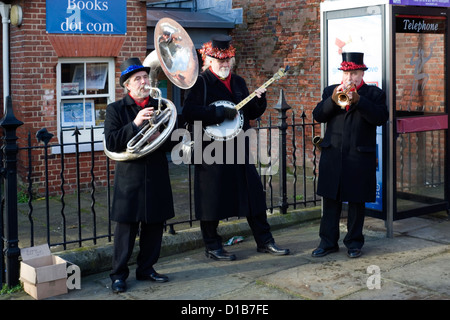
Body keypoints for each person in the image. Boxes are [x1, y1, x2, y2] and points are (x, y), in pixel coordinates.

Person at [182, 34, 289, 261]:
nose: (224, 64)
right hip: (209, 150)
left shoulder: (239, 82)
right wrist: (218, 113)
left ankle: (265, 241)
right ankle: (213, 246)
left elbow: (250, 113)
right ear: (208, 60)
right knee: (211, 200)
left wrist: (260, 99)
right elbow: (189, 112)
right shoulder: (200, 83)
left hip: (239, 147)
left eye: (227, 60)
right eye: (219, 60)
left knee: (254, 195)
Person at [104, 57, 175, 293]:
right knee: (126, 230)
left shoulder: (162, 105)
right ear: (127, 85)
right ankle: (118, 275)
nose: (144, 81)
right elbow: (112, 143)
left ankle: (146, 269)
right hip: (130, 177)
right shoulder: (116, 109)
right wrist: (134, 124)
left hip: (156, 174)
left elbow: (173, 141)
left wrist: (159, 138)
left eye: (145, 77)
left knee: (154, 227)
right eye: (138, 79)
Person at [312, 52, 388, 258]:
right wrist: (333, 100)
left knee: (356, 202)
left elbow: (381, 117)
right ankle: (327, 242)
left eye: (354, 74)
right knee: (330, 201)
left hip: (359, 155)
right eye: (346, 74)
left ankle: (354, 243)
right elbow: (318, 115)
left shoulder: (374, 94)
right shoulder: (330, 91)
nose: (349, 79)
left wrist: (360, 101)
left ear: (362, 73)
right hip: (333, 154)